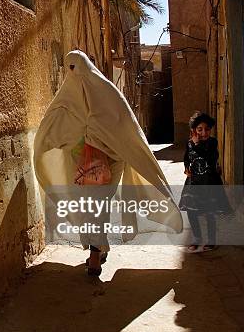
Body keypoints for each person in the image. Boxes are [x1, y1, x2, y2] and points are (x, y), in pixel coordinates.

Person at [33, 50, 183, 276]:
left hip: (110, 164)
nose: (74, 73)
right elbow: (53, 130)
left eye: (76, 66)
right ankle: (99, 249)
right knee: (88, 209)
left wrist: (97, 139)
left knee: (96, 209)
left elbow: (124, 127)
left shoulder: (107, 95)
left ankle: (94, 257)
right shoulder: (65, 101)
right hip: (81, 167)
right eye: (69, 67)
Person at [179, 111, 231, 252]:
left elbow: (209, 157)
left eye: (207, 129)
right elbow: (186, 157)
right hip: (194, 183)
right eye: (200, 129)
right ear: (194, 130)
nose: (203, 132)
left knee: (209, 211)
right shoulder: (189, 143)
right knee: (192, 211)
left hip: (209, 183)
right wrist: (186, 167)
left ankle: (211, 240)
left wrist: (196, 145)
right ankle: (196, 238)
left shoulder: (212, 143)